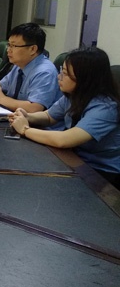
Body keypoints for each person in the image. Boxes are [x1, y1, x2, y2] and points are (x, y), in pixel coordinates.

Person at [10, 47, 120, 189]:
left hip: (102, 172)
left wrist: (25, 129)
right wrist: (27, 116)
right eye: (62, 71)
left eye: (66, 74)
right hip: (75, 159)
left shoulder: (105, 108)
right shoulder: (74, 95)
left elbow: (64, 140)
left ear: (85, 78)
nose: (59, 76)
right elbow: (49, 116)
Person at [0, 23, 61, 112]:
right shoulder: (20, 65)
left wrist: (0, 98)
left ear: (32, 49)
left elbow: (34, 108)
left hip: (36, 121)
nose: (8, 50)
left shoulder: (45, 72)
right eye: (8, 45)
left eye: (14, 46)